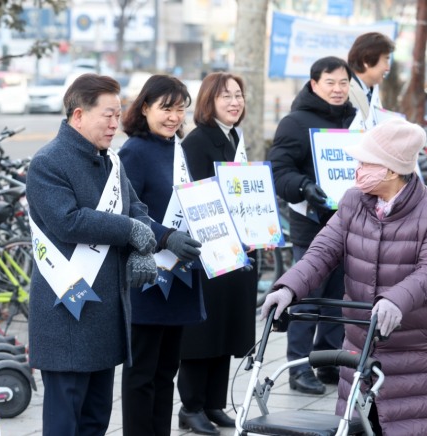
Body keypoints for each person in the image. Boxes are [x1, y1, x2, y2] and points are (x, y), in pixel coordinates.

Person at [261, 117, 427, 435]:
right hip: (359, 340)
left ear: (392, 169)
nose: (357, 169)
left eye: (366, 163)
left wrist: (395, 299)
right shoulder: (353, 201)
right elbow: (322, 252)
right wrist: (288, 288)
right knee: (356, 427)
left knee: (411, 425)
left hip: (414, 347)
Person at [25, 73, 158, 436]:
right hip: (67, 307)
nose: (116, 123)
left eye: (118, 114)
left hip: (105, 310)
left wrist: (140, 247)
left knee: (96, 417)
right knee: (65, 418)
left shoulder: (111, 161)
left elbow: (136, 207)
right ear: (79, 115)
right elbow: (68, 221)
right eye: (108, 115)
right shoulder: (48, 162)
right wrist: (129, 231)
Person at [117, 75, 206, 436]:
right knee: (142, 373)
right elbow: (125, 211)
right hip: (148, 274)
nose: (174, 117)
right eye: (166, 108)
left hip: (180, 274)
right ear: (145, 107)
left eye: (180, 108)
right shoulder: (133, 152)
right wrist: (163, 237)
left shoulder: (178, 149)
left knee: (167, 370)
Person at [267, 56, 356, 395]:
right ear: (314, 83)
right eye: (330, 82)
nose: (338, 89)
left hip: (350, 223)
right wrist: (304, 186)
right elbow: (279, 171)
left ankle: (328, 362)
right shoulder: (295, 122)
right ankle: (299, 367)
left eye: (343, 83)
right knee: (306, 297)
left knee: (339, 298)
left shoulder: (355, 120)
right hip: (313, 225)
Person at [178, 72, 257, 435]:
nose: (234, 102)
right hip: (207, 248)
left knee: (226, 325)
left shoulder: (234, 138)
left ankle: (214, 403)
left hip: (235, 247)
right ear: (208, 101)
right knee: (203, 331)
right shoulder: (197, 142)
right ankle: (190, 406)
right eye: (226, 96)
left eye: (238, 95)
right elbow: (198, 198)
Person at [347, 32, 396, 130]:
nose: (388, 68)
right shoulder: (343, 92)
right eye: (385, 60)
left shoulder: (372, 91)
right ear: (366, 61)